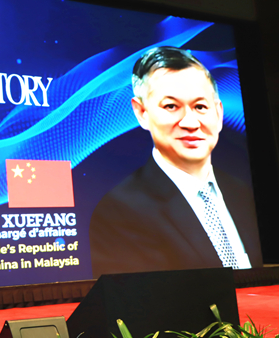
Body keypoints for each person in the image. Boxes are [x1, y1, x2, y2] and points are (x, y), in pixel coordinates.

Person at [89, 46, 262, 278]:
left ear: (219, 113)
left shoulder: (245, 194)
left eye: (200, 107)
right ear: (141, 113)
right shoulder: (117, 212)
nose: (190, 123)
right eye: (171, 106)